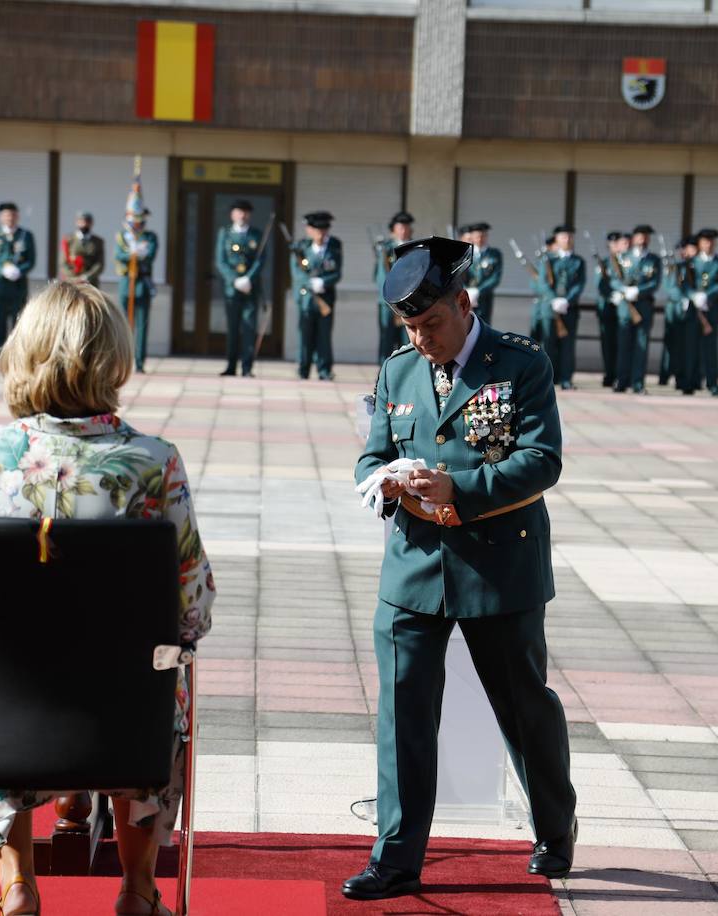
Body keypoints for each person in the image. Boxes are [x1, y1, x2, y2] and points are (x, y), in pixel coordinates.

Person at [0, 280, 215, 916]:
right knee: (164, 676)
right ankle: (139, 888)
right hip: (122, 715)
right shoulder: (153, 462)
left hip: (2, 708)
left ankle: (17, 884)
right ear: (112, 360)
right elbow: (194, 612)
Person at [346, 236, 576, 901]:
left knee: (523, 709)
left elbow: (542, 460)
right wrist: (384, 480)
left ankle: (554, 827)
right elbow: (372, 454)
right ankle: (395, 859)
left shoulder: (520, 364)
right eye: (412, 328)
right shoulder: (398, 370)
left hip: (499, 567)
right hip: (413, 567)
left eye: (433, 324)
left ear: (464, 304)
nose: (423, 339)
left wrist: (462, 489)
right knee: (402, 714)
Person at [291, 210, 343, 380]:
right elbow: (296, 272)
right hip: (306, 299)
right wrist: (310, 283)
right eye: (317, 229)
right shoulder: (301, 247)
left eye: (323, 230)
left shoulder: (335, 245)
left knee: (324, 336)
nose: (320, 233)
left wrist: (324, 282)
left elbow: (337, 273)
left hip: (325, 299)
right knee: (305, 336)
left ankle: (324, 370)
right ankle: (303, 369)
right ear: (309, 230)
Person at [531, 224, 585, 389]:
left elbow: (579, 284)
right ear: (557, 239)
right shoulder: (547, 259)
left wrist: (567, 300)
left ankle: (566, 379)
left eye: (569, 236)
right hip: (550, 308)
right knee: (548, 344)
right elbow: (542, 283)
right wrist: (554, 299)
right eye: (563, 236)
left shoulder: (578, 261)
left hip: (569, 307)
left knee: (568, 345)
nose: (567, 239)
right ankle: (548, 378)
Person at [612, 224, 663, 394]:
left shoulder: (654, 260)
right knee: (623, 345)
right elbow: (613, 279)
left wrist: (639, 291)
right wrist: (623, 289)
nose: (643, 239)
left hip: (644, 306)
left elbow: (655, 282)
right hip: (626, 307)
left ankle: (638, 383)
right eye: (640, 236)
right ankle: (621, 380)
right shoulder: (622, 256)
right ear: (633, 238)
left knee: (641, 345)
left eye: (646, 236)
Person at [215, 199, 263, 377]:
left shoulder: (256, 234)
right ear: (232, 214)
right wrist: (235, 280)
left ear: (249, 214)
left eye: (245, 212)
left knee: (249, 328)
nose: (242, 215)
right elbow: (220, 261)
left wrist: (248, 278)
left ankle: (247, 367)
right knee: (233, 328)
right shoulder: (225, 233)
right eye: (238, 211)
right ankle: (231, 366)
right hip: (232, 288)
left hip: (250, 287)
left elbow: (260, 260)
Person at [0, 202, 36, 355]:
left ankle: (15, 355)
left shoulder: (25, 235)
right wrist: (1, 270)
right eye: (7, 215)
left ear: (17, 216)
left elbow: (31, 260)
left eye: (13, 215)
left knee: (18, 322)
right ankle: (0, 354)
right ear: (1, 217)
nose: (10, 218)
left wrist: (19, 271)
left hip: (18, 286)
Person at [115, 206, 158, 373]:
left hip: (143, 283)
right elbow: (119, 255)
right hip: (127, 283)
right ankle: (124, 360)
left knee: (141, 326)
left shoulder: (150, 236)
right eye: (134, 218)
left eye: (140, 219)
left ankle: (139, 362)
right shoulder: (122, 236)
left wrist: (137, 253)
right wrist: (132, 253)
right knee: (124, 325)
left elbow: (150, 254)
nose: (137, 222)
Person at [689, 228, 718, 397]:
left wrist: (707, 296)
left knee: (710, 347)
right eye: (705, 241)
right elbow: (685, 282)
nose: (709, 244)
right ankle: (692, 381)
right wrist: (694, 295)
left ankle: (712, 383)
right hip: (694, 308)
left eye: (712, 241)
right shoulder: (692, 262)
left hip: (712, 307)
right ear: (699, 243)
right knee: (692, 345)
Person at [669, 235, 707, 396]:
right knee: (678, 348)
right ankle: (680, 378)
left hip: (694, 312)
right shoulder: (677, 267)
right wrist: (684, 297)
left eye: (691, 248)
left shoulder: (699, 266)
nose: (687, 252)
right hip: (678, 312)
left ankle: (692, 380)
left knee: (693, 349)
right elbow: (671, 287)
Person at [374, 211, 414, 361]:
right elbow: (381, 277)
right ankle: (384, 373)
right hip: (388, 302)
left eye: (406, 227)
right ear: (394, 230)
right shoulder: (386, 249)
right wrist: (394, 296)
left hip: (409, 302)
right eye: (400, 228)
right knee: (387, 339)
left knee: (408, 340)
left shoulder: (415, 247)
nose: (403, 231)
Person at [595, 231, 629, 389]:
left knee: (622, 344)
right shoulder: (604, 263)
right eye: (613, 244)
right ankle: (609, 373)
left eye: (619, 243)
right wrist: (611, 295)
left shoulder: (627, 261)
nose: (616, 246)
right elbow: (601, 285)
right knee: (608, 344)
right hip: (608, 308)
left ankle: (620, 374)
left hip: (624, 307)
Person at [464, 223, 503, 325]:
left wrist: (478, 291)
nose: (480, 239)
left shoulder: (495, 254)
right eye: (477, 236)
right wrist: (466, 290)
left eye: (483, 236)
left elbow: (495, 278)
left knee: (484, 326)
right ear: (472, 237)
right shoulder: (466, 252)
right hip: (466, 297)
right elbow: (459, 275)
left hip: (485, 298)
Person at [61, 211, 105, 287]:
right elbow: (63, 263)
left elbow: (99, 264)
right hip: (71, 282)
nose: (84, 224)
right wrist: (74, 278)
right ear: (76, 222)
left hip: (90, 282)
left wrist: (86, 277)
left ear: (91, 223)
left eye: (87, 222)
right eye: (81, 222)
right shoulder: (69, 240)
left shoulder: (98, 241)